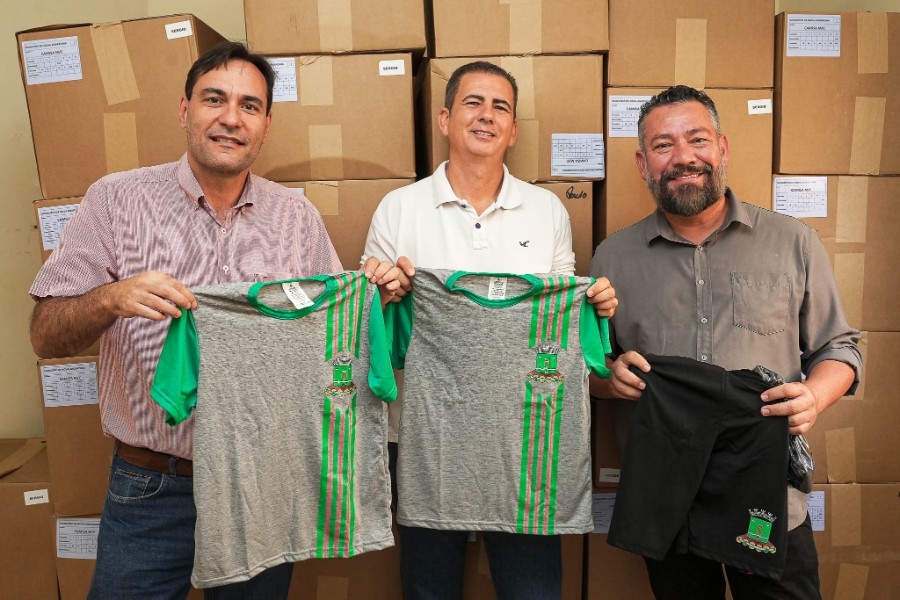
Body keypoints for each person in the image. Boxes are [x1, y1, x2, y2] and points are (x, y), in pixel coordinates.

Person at [28, 41, 376, 599]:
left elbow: (334, 342)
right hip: (152, 487)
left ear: (266, 125)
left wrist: (378, 296)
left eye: (249, 105)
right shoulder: (115, 201)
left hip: (264, 483)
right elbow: (45, 335)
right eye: (215, 99)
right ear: (184, 109)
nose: (231, 118)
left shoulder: (297, 218)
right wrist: (111, 298)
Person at [588, 85, 861, 599]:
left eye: (697, 139)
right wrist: (607, 379)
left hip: (769, 493)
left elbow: (840, 347)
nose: (683, 157)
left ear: (723, 148)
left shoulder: (794, 242)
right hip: (667, 500)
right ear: (643, 164)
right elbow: (588, 364)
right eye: (663, 145)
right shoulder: (612, 258)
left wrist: (814, 396)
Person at [361, 61, 618, 600]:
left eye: (500, 107)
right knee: (429, 589)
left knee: (533, 591)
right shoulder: (398, 209)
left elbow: (560, 324)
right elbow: (368, 334)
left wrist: (592, 308)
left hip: (528, 437)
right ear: (444, 118)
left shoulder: (546, 211)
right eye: (473, 103)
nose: (486, 115)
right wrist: (383, 295)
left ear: (514, 129)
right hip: (425, 437)